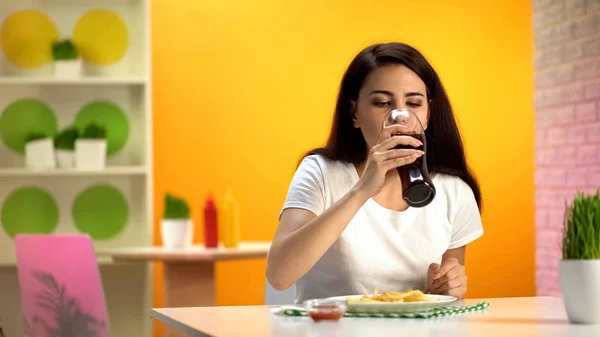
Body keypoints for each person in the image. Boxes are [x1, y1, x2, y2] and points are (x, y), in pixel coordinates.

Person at [266, 42, 483, 303]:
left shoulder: (454, 190)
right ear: (354, 113)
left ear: (427, 116)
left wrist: (446, 287)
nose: (400, 117)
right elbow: (279, 275)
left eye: (414, 103)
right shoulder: (320, 172)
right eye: (382, 102)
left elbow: (445, 300)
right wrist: (362, 190)